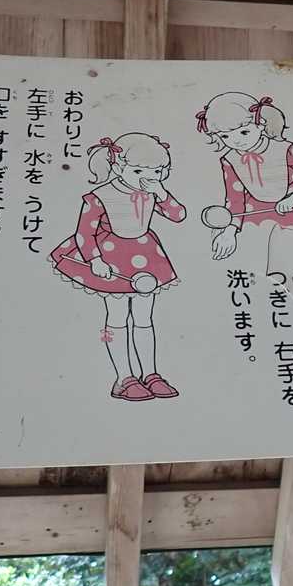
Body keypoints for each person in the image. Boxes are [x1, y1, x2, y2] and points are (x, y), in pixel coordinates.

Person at [49, 133, 186, 402]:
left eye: (157, 171)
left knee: (145, 319)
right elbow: (84, 233)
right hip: (111, 257)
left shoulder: (151, 191)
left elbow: (178, 215)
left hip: (146, 255)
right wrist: (95, 260)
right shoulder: (99, 196)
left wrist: (161, 192)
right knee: (118, 317)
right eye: (138, 171)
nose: (148, 177)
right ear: (118, 165)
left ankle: (150, 374)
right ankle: (124, 377)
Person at [195, 91, 293, 259]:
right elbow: (235, 199)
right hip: (257, 211)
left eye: (244, 132)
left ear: (260, 124)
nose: (236, 141)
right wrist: (230, 231)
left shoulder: (286, 149)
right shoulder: (229, 160)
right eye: (225, 136)